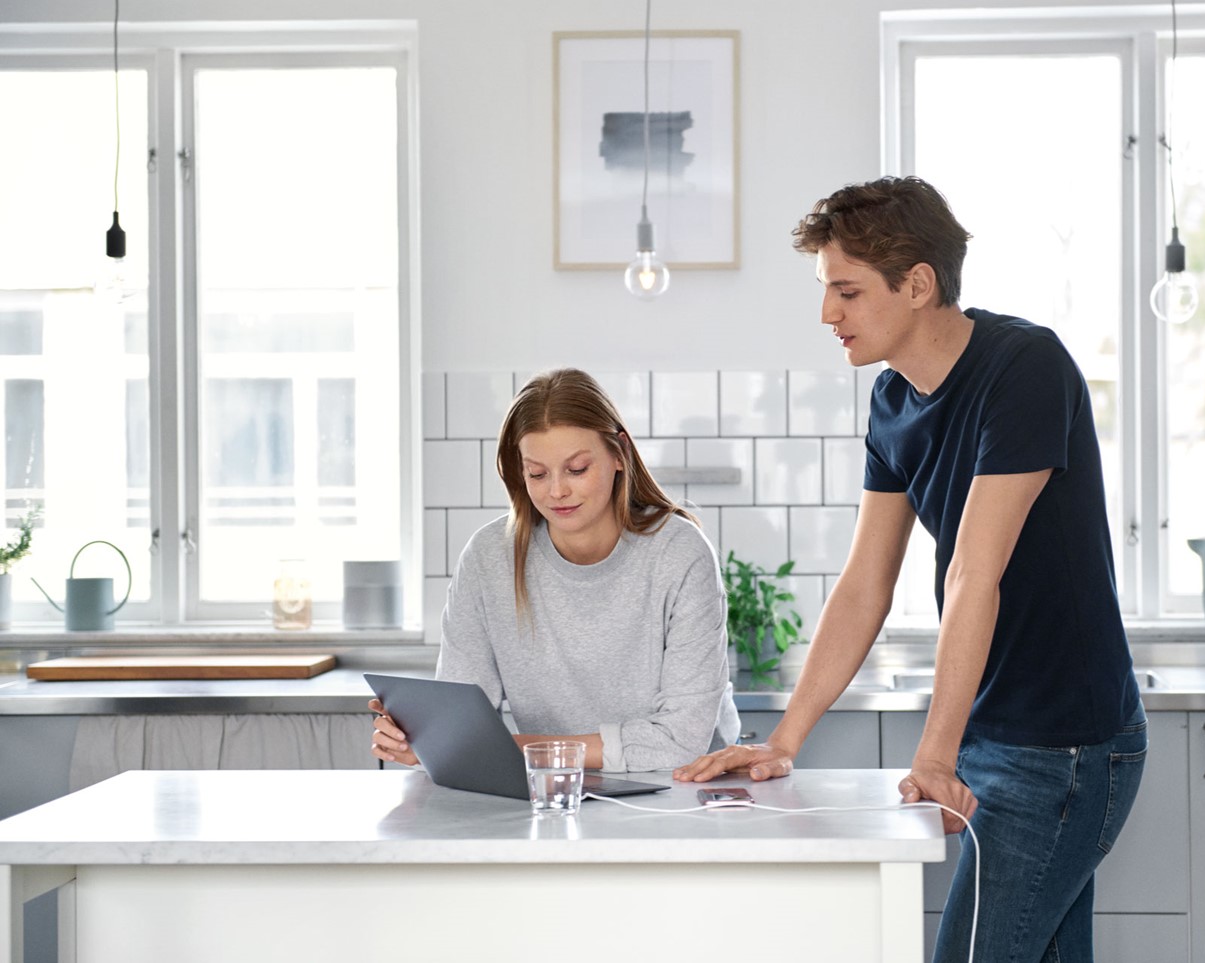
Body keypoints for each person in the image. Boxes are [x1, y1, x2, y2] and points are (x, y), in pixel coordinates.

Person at [674, 176, 1146, 962]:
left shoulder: (1025, 368)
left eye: (848, 291)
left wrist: (934, 750)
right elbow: (865, 585)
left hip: (1066, 743)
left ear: (918, 284)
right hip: (996, 734)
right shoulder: (893, 401)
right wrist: (785, 737)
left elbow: (973, 573)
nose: (829, 314)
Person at [372, 368, 740, 773]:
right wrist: (426, 737)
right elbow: (461, 721)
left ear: (620, 455)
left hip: (685, 789)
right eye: (537, 473)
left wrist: (512, 748)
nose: (557, 491)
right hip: (553, 787)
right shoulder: (488, 558)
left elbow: (679, 742)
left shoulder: (679, 552)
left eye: (577, 469)